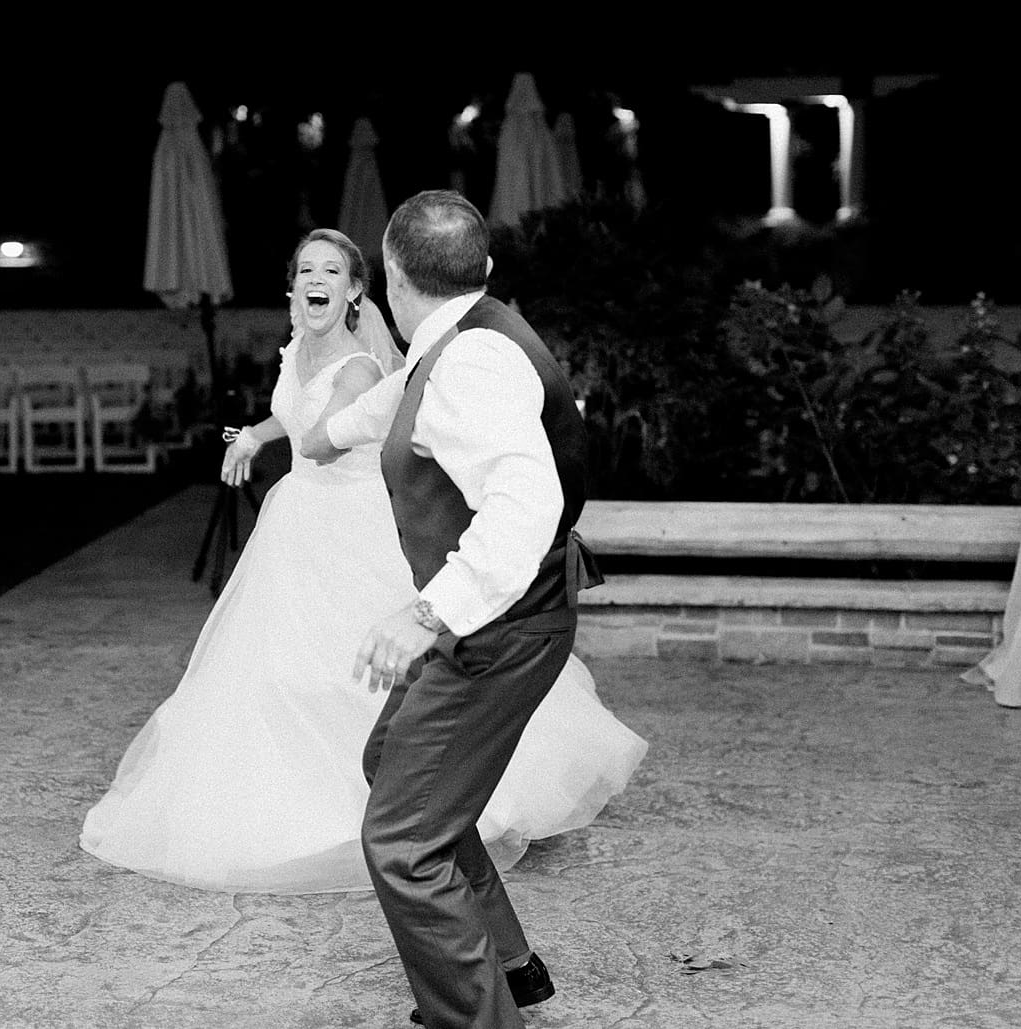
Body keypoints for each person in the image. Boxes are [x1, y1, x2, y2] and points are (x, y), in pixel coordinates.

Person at [78, 227, 645, 899]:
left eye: (331, 271)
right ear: (292, 288)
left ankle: (395, 809)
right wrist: (254, 434)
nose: (315, 280)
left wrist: (311, 435)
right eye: (305, 270)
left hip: (346, 520)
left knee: (351, 668)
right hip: (293, 518)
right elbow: (298, 421)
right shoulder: (296, 349)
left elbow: (338, 432)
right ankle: (289, 800)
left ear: (356, 292)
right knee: (272, 664)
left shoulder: (361, 367)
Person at [301, 190, 601, 1028]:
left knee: (402, 840)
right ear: (485, 267)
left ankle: (478, 1017)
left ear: (391, 273)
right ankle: (508, 964)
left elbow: (523, 504)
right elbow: (396, 399)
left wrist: (425, 615)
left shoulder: (472, 363)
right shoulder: (464, 336)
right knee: (390, 761)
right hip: (500, 618)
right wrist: (321, 434)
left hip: (501, 625)